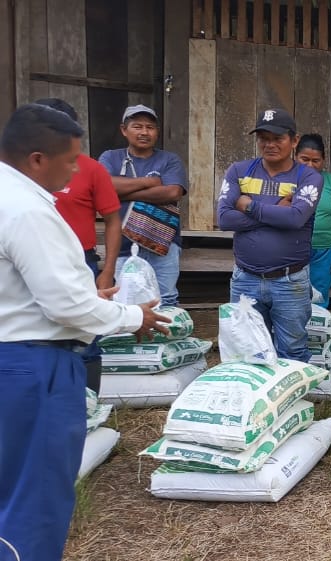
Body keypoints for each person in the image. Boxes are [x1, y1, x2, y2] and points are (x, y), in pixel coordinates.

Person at [0, 103, 167, 561]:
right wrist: (133, 317)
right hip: (34, 364)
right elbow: (66, 306)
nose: (77, 170)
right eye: (71, 160)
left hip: (14, 356)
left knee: (10, 483)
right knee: (35, 495)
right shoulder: (27, 211)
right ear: (38, 159)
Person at [216, 109, 321, 362]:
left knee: (292, 351)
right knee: (248, 351)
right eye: (263, 138)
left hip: (290, 281)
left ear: (294, 141)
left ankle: (292, 389)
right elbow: (224, 219)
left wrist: (250, 206)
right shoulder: (239, 171)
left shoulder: (308, 176)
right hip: (245, 279)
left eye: (277, 138)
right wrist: (276, 209)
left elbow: (295, 218)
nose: (269, 144)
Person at [36, 98, 122, 394]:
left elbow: (113, 221)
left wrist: (107, 271)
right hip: (30, 261)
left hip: (80, 262)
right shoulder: (19, 171)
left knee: (87, 337)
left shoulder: (91, 169)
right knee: (38, 333)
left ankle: (89, 407)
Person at [98, 104, 188, 307]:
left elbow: (173, 192)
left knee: (166, 299)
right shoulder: (110, 157)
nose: (144, 132)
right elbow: (104, 187)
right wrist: (150, 182)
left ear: (157, 132)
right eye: (137, 126)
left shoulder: (169, 160)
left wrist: (122, 193)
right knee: (125, 300)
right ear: (124, 130)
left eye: (150, 127)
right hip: (122, 244)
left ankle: (164, 329)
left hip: (163, 244)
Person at [297, 133, 331, 308]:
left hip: (324, 249)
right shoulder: (288, 179)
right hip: (293, 248)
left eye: (315, 160)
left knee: (318, 294)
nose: (310, 165)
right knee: (291, 293)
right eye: (304, 159)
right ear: (295, 156)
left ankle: (317, 325)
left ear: (323, 160)